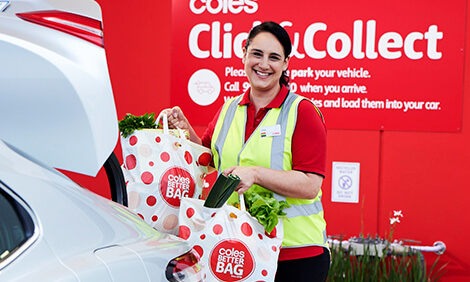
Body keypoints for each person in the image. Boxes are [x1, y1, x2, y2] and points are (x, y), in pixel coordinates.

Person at [162, 21, 329, 281]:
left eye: (274, 57)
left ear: (285, 64)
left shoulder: (302, 111)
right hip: (239, 247)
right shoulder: (229, 109)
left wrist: (255, 174)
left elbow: (310, 185)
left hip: (295, 254)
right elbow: (207, 159)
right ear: (244, 54)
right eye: (257, 54)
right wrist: (185, 131)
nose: (264, 64)